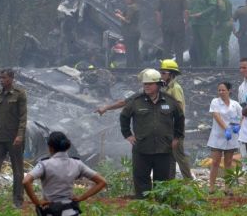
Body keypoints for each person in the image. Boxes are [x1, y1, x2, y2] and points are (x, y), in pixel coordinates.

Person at [119, 68, 184, 198]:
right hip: (142, 149)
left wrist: (177, 137)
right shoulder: (136, 101)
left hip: (164, 149)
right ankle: (145, 207)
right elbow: (124, 117)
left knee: (163, 184)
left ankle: (161, 209)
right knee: (142, 182)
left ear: (158, 84)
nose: (146, 86)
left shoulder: (169, 100)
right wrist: (128, 135)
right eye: (144, 84)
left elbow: (180, 118)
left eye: (149, 84)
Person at [23, 132, 106, 215]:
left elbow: (26, 181)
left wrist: (37, 202)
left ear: (50, 147)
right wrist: (82, 198)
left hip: (51, 211)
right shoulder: (77, 164)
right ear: (68, 146)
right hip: (71, 211)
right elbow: (102, 182)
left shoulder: (44, 164)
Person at [0, 68, 27, 208]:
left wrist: (20, 135)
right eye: (0, 77)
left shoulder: (19, 94)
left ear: (11, 79)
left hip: (14, 137)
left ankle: (17, 200)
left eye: (4, 77)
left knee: (17, 170)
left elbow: (23, 118)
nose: (1, 80)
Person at [159, 60, 194, 180]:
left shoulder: (175, 88)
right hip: (168, 127)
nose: (161, 75)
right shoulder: (167, 88)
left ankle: (189, 181)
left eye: (164, 73)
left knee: (179, 155)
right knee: (170, 156)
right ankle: (171, 181)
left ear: (171, 74)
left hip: (175, 127)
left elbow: (178, 108)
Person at [207, 82, 242, 193]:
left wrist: (238, 126)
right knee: (215, 162)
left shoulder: (235, 104)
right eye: (219, 90)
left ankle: (228, 187)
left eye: (223, 90)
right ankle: (211, 187)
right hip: (218, 136)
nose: (221, 92)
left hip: (231, 137)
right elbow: (216, 116)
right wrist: (226, 128)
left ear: (229, 90)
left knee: (228, 162)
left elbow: (242, 116)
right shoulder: (215, 102)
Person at [156, 0, 187, 68]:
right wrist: (185, 23)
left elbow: (157, 12)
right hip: (178, 25)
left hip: (166, 26)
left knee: (167, 48)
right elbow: (185, 11)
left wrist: (160, 24)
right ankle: (179, 67)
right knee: (179, 48)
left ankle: (166, 67)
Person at [188, 0, 217, 66]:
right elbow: (191, 7)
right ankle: (200, 65)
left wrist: (202, 14)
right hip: (195, 24)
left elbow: (213, 6)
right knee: (197, 46)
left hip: (205, 24)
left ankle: (207, 65)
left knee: (206, 46)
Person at [210, 0, 234, 67]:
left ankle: (212, 65)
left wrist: (218, 21)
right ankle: (225, 65)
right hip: (229, 24)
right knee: (225, 45)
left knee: (213, 45)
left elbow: (222, 9)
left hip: (223, 24)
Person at [115, 0, 140, 68]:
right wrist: (122, 13)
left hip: (130, 32)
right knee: (135, 50)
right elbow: (130, 18)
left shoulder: (131, 7)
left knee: (129, 50)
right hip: (136, 31)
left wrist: (119, 16)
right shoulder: (136, 6)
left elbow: (128, 21)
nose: (125, 0)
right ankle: (138, 66)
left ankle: (130, 67)